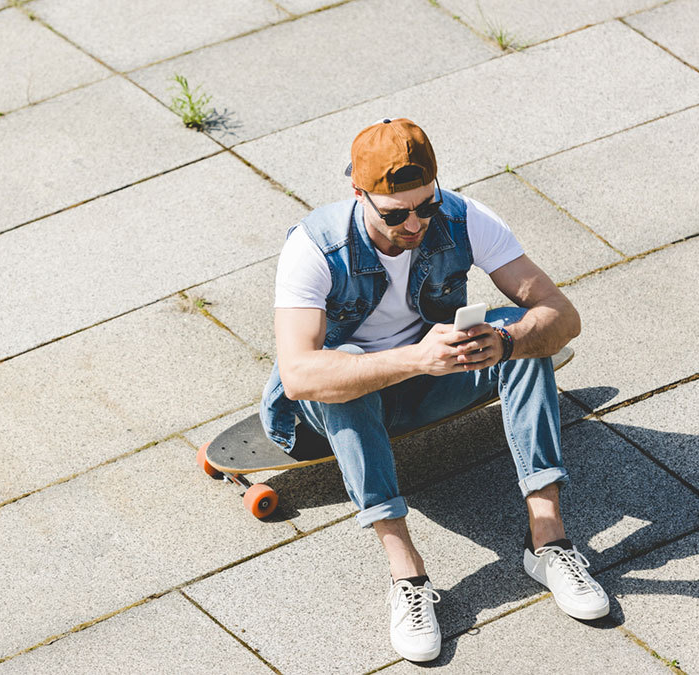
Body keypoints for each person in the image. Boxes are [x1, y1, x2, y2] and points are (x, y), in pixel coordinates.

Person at [259, 118, 609, 662]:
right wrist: (415, 357)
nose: (416, 223)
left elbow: (562, 316)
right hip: (332, 407)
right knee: (346, 369)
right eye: (396, 214)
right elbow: (302, 373)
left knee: (519, 333)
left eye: (427, 206)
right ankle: (407, 574)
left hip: (433, 378)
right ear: (358, 194)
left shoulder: (465, 218)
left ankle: (548, 540)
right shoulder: (314, 246)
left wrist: (507, 339)